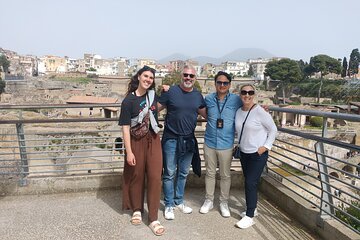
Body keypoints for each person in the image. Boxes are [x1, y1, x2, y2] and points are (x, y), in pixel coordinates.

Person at [118, 66, 165, 236]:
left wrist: (166, 89)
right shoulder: (128, 101)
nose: (148, 79)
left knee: (154, 176)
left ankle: (153, 218)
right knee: (136, 175)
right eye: (145, 76)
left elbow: (163, 103)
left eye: (151, 77)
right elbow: (124, 128)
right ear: (139, 76)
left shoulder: (153, 96)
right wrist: (129, 152)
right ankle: (137, 209)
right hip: (136, 141)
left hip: (153, 140)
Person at [158, 65, 206, 220]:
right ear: (181, 76)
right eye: (185, 75)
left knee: (183, 173)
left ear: (195, 78)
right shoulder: (171, 92)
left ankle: (179, 201)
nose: (188, 78)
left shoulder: (198, 96)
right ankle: (169, 204)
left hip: (188, 140)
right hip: (171, 139)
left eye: (191, 76)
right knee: (170, 173)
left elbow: (209, 114)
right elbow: (154, 109)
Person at [199, 71, 242, 217]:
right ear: (215, 83)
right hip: (210, 141)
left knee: (225, 175)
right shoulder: (209, 98)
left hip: (227, 144)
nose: (222, 85)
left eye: (225, 83)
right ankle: (209, 200)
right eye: (219, 82)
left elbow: (249, 107)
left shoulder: (236, 100)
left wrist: (263, 109)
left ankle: (223, 202)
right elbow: (203, 112)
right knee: (210, 173)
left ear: (229, 85)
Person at [234, 84, 277, 229]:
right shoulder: (238, 112)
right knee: (249, 181)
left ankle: (250, 215)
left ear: (254, 94)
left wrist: (265, 147)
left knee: (250, 183)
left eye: (250, 92)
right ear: (240, 94)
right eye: (244, 92)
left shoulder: (260, 112)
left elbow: (273, 130)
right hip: (244, 153)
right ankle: (253, 209)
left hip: (258, 154)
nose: (247, 95)